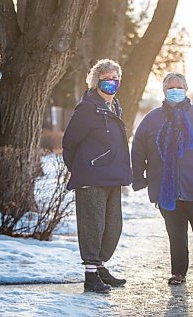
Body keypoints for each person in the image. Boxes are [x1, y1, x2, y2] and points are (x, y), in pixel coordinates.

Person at [131, 72, 193, 286]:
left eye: (179, 87)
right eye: (170, 88)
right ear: (164, 91)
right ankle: (178, 273)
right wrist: (139, 177)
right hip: (166, 189)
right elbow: (138, 148)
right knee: (176, 234)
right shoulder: (152, 119)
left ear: (186, 89)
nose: (175, 91)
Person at [62, 59, 132, 293]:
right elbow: (69, 142)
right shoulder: (88, 107)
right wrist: (82, 168)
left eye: (115, 78)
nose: (111, 82)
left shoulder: (114, 106)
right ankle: (91, 276)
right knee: (93, 226)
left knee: (112, 227)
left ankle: (100, 267)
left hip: (113, 176)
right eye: (106, 78)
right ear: (96, 81)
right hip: (92, 178)